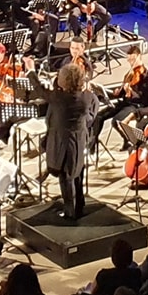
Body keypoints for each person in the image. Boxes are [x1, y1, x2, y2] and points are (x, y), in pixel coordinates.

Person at [47, 63, 94, 220]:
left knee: (66, 178)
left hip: (65, 145)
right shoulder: (85, 97)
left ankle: (69, 212)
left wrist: (31, 70)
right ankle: (80, 205)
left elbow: (41, 91)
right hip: (79, 140)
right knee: (78, 174)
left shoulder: (60, 99)